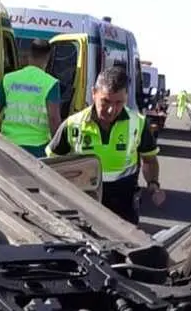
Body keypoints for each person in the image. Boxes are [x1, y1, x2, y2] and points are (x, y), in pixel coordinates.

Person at [45, 65, 165, 225]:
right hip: (83, 206)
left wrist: (153, 185)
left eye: (118, 102)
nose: (111, 109)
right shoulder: (73, 125)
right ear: (94, 93)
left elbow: (149, 160)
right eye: (106, 101)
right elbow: (51, 164)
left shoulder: (138, 124)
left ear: (126, 97)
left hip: (123, 208)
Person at [0, 39, 62, 158]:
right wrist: (59, 151)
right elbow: (53, 119)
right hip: (38, 150)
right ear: (48, 58)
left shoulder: (9, 79)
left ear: (28, 56)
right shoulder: (50, 83)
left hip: (9, 146)